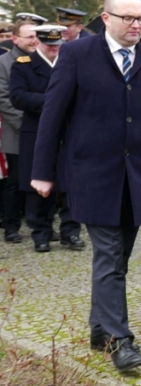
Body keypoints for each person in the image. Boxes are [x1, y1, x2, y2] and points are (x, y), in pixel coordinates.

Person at [31, 0, 141, 372]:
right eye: (128, 18)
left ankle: (99, 328)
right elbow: (52, 115)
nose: (136, 24)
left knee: (118, 259)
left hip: (136, 178)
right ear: (105, 18)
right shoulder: (78, 55)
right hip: (92, 176)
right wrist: (42, 171)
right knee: (111, 256)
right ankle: (119, 340)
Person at [9, 24, 84, 252]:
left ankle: (71, 232)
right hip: (38, 132)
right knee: (40, 186)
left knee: (71, 184)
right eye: (49, 45)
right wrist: (54, 102)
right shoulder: (23, 66)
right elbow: (18, 97)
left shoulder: (70, 62)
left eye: (57, 44)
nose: (54, 49)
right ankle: (41, 233)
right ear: (38, 43)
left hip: (68, 132)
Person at [0, 20, 38, 243]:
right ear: (15, 39)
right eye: (29, 37)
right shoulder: (4, 63)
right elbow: (3, 99)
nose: (34, 40)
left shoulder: (41, 61)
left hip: (41, 131)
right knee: (15, 182)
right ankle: (11, 226)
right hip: (18, 132)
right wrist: (25, 125)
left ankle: (39, 225)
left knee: (41, 179)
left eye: (36, 36)